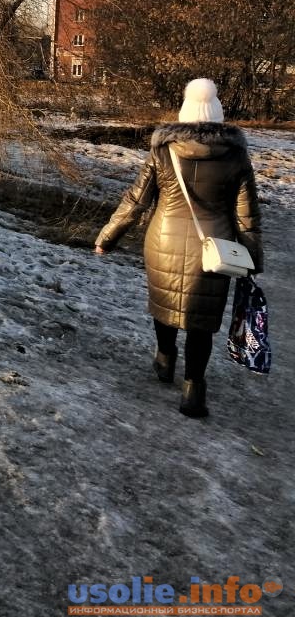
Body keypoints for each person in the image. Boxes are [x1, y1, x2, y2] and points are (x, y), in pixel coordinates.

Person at [94, 78, 262, 419]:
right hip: (214, 250)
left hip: (164, 240)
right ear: (217, 116)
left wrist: (107, 237)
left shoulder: (162, 150)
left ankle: (165, 359)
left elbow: (136, 201)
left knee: (165, 303)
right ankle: (193, 390)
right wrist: (253, 261)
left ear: (184, 115)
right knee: (202, 320)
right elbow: (247, 217)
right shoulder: (237, 157)